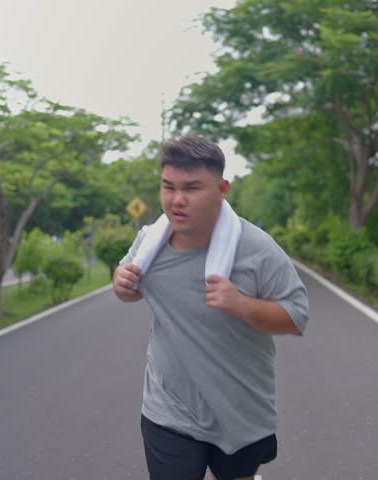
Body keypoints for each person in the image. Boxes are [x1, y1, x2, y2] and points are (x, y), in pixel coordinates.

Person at [113, 134, 309, 480]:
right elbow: (130, 288)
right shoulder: (149, 244)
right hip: (169, 410)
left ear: (222, 189)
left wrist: (242, 304)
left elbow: (296, 316)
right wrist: (121, 284)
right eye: (168, 187)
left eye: (192, 188)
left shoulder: (256, 248)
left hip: (240, 409)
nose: (177, 200)